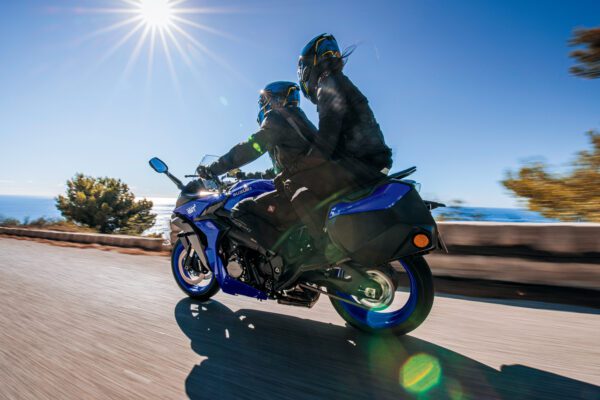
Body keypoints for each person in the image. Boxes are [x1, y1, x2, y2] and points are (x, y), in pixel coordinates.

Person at [275, 33, 394, 259]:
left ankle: (326, 248)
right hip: (373, 161)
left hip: (360, 165)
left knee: (294, 184)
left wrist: (290, 171)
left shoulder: (327, 85)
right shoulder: (340, 80)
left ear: (308, 68)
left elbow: (325, 142)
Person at [196, 81, 321, 251]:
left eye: (264, 101)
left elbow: (251, 147)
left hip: (298, 188)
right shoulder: (300, 120)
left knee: (242, 211)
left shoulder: (278, 118)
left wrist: (213, 168)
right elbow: (286, 166)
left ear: (273, 100)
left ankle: (286, 258)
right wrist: (250, 177)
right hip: (313, 186)